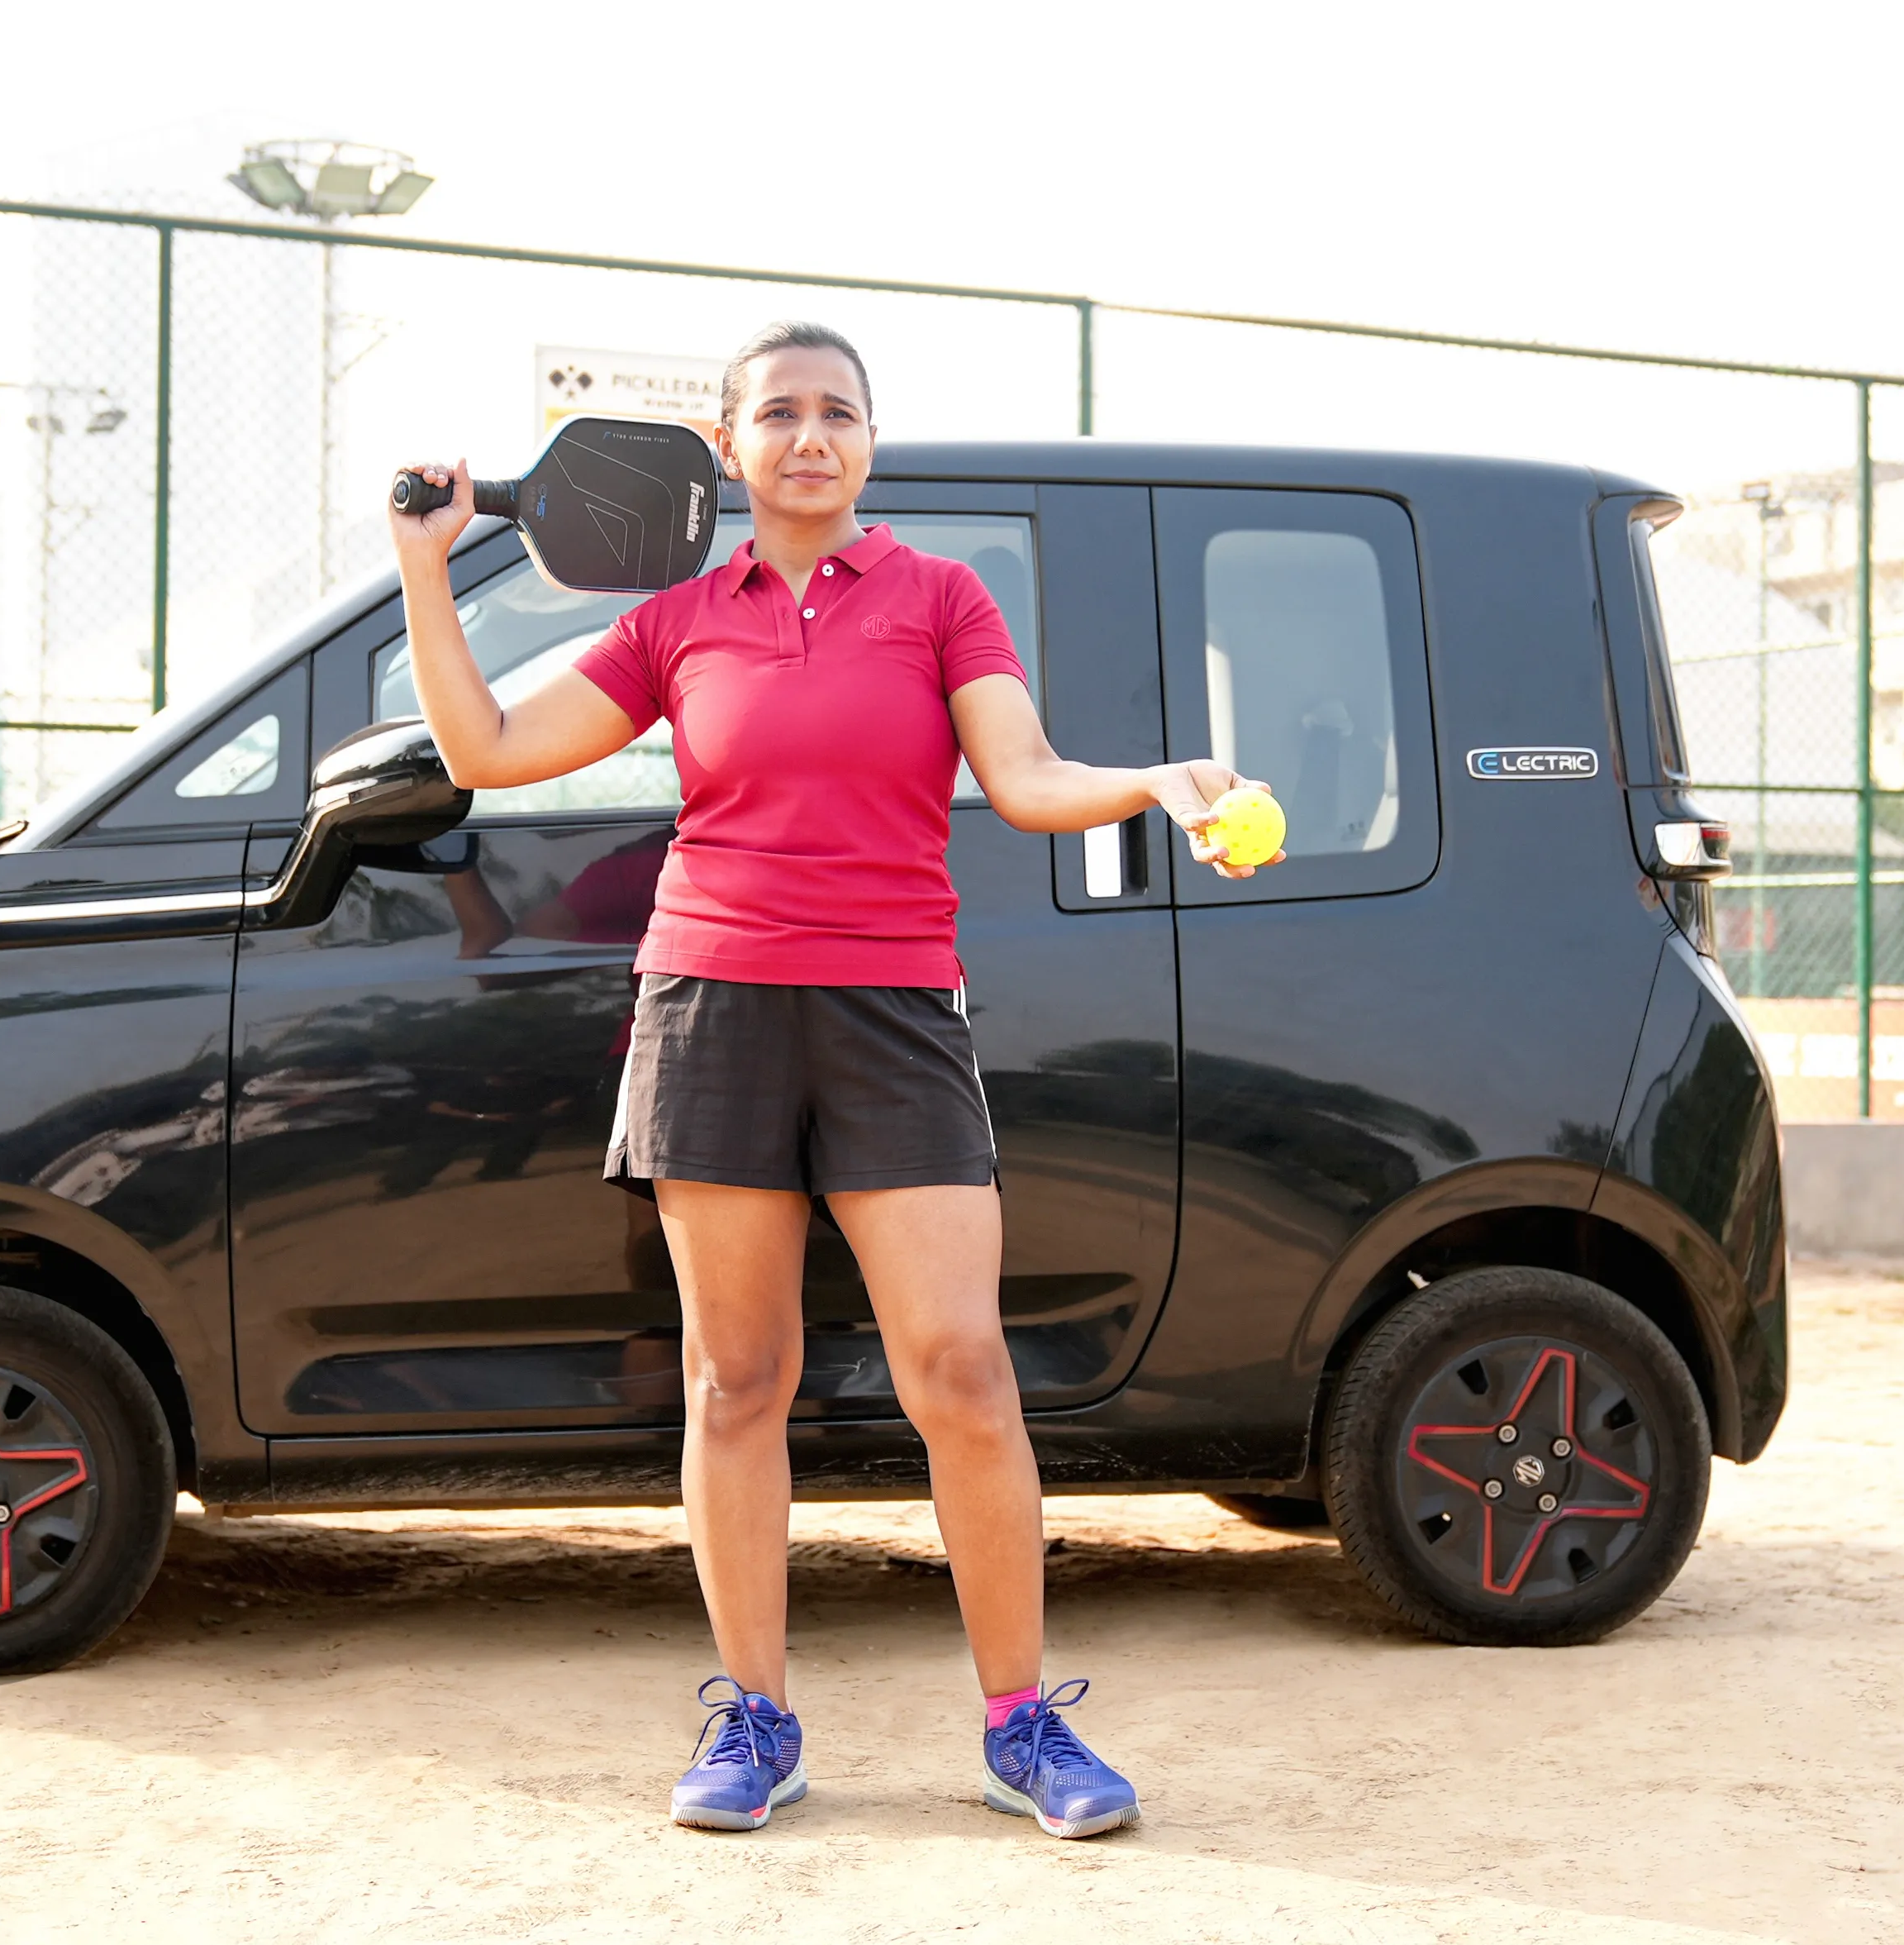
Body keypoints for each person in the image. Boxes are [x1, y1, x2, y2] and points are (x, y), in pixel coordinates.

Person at [389, 321, 1274, 1840]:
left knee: (962, 1371)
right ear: (727, 449)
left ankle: (1020, 1727)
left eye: (840, 415)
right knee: (737, 1383)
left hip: (891, 1011)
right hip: (713, 1007)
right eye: (782, 415)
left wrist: (1157, 780)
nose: (812, 437)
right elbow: (481, 743)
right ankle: (754, 1722)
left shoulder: (938, 597)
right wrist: (428, 562)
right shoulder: (675, 623)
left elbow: (1025, 781)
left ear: (869, 443)